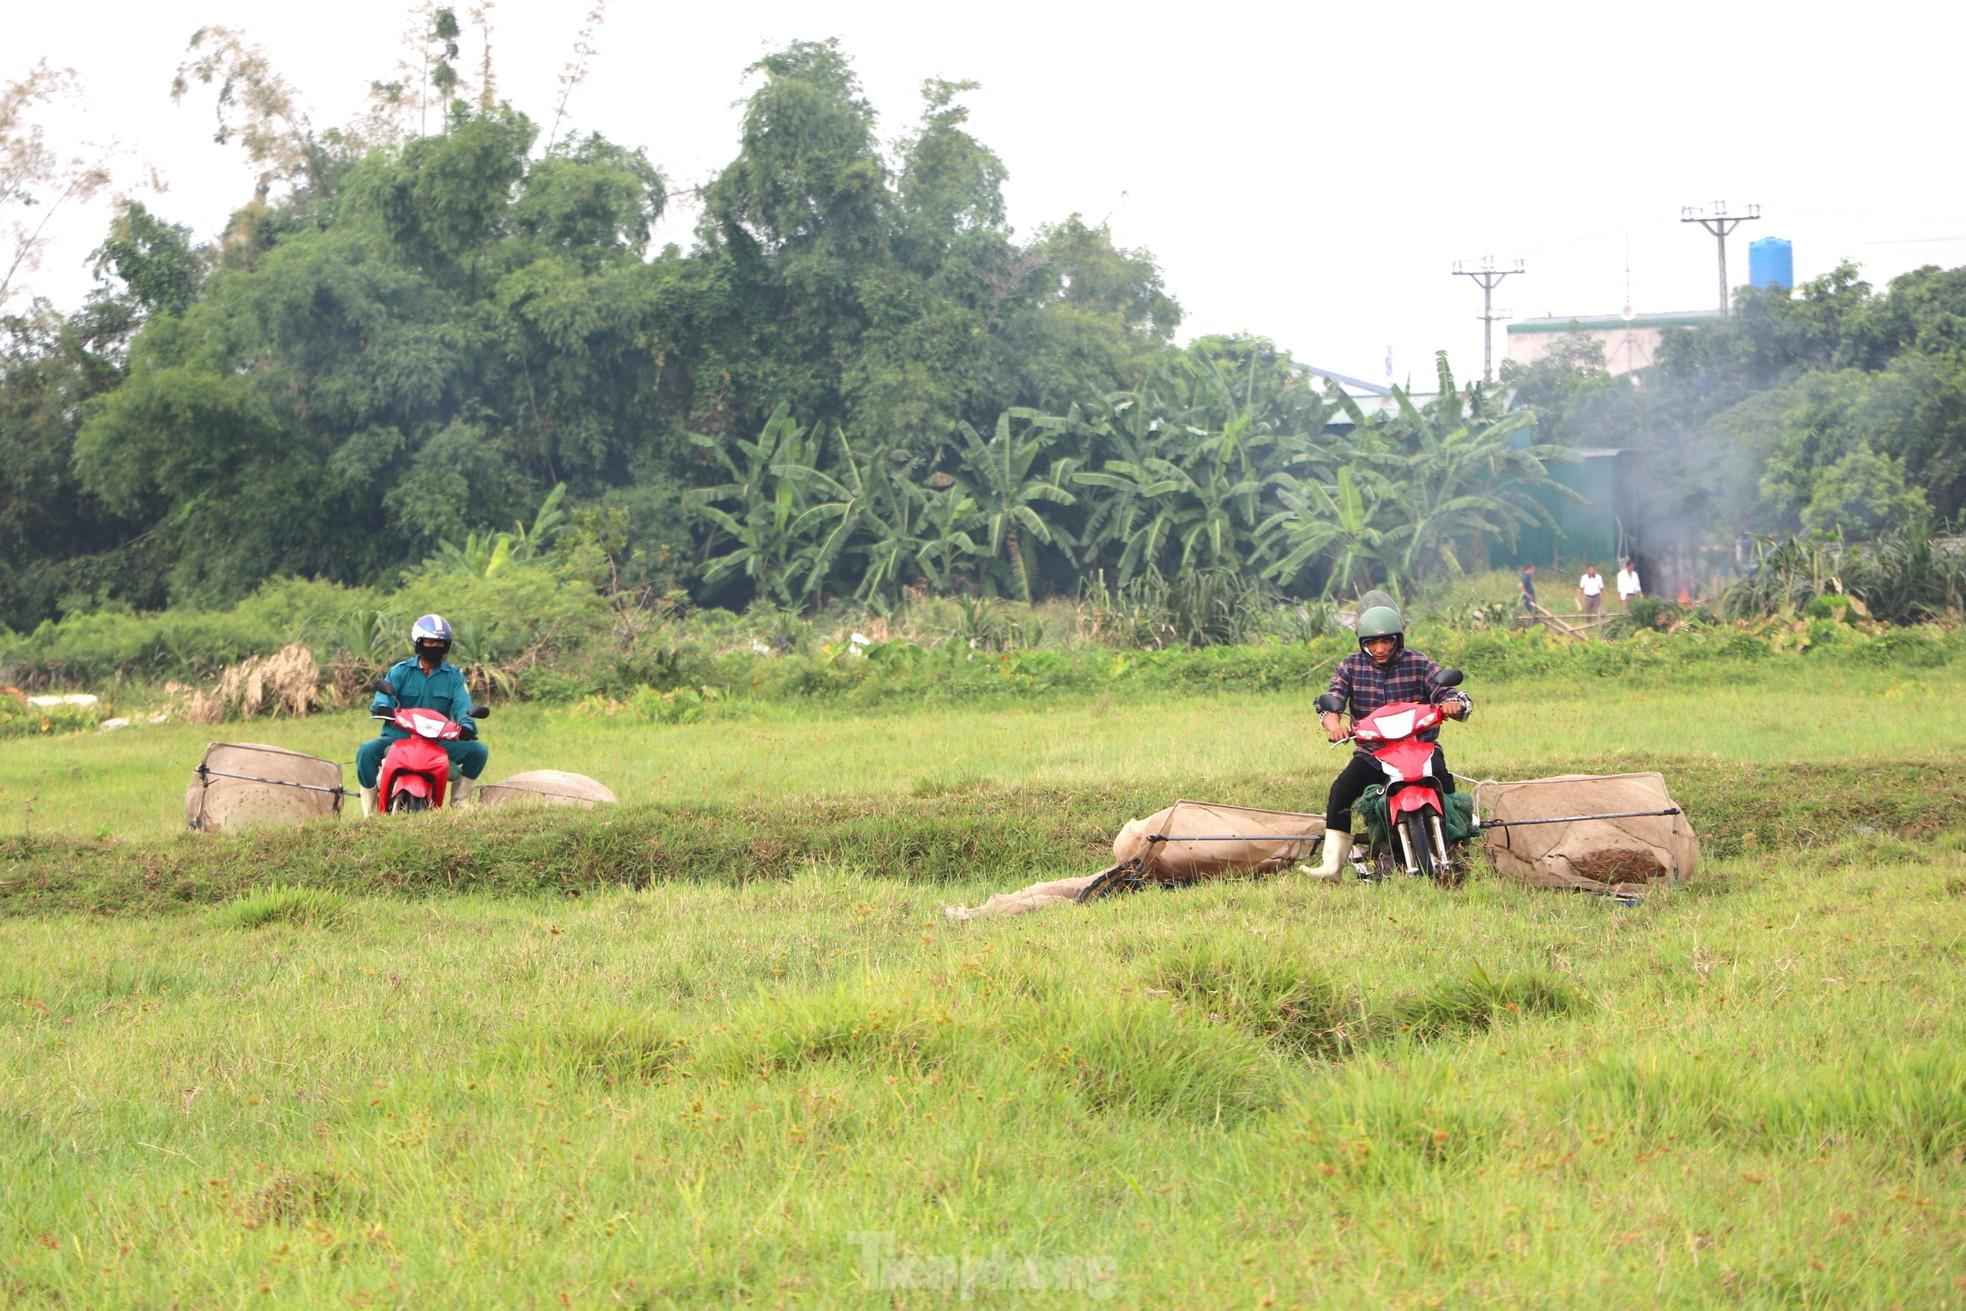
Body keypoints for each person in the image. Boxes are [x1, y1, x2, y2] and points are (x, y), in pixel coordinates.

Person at [1304, 606, 1469, 878]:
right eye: (1372, 643)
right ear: (1362, 644)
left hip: (1420, 748)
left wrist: (1452, 704)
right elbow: (1329, 702)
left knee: (1445, 784)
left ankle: (1457, 845)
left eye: (1386, 641)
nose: (1379, 648)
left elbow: (1446, 691)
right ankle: (1332, 866)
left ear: (1398, 640)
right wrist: (1334, 725)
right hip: (1373, 752)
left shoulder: (1418, 662)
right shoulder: (1351, 666)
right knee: (1340, 792)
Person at [355, 614, 488, 816]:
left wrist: (467, 724)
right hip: (398, 737)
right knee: (366, 751)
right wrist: (382, 707)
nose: (434, 646)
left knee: (478, 751)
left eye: (439, 643)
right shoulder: (399, 672)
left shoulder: (453, 676)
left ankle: (459, 800)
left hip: (437, 740)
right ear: (419, 643)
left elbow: (463, 704)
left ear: (446, 646)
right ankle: (369, 811)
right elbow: (384, 696)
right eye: (429, 642)